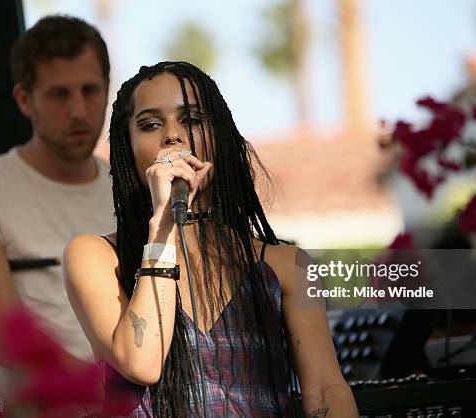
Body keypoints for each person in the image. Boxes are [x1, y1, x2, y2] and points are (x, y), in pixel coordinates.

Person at [63, 61, 359, 417]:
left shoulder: (290, 265)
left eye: (192, 120)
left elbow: (326, 389)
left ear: (219, 136)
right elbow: (142, 363)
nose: (172, 136)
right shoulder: (94, 257)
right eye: (151, 124)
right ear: (127, 148)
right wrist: (164, 224)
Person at [0, 15, 115, 395]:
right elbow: (10, 343)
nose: (79, 111)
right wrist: (122, 392)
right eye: (59, 94)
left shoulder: (133, 192)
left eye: (90, 90)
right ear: (23, 100)